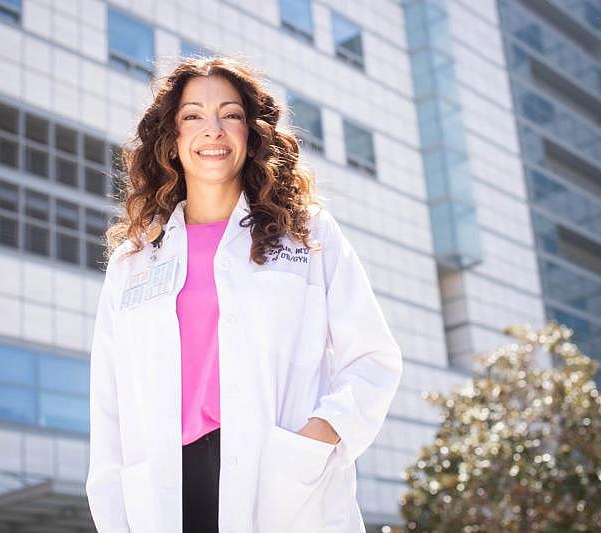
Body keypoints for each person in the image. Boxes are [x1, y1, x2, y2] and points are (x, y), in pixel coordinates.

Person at [85, 56, 402, 533]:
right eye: (192, 115)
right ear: (171, 140)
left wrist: (319, 436)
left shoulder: (306, 234)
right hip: (166, 491)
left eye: (230, 114)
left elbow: (373, 357)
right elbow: (108, 404)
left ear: (251, 133)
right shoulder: (135, 260)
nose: (212, 130)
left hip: (280, 480)